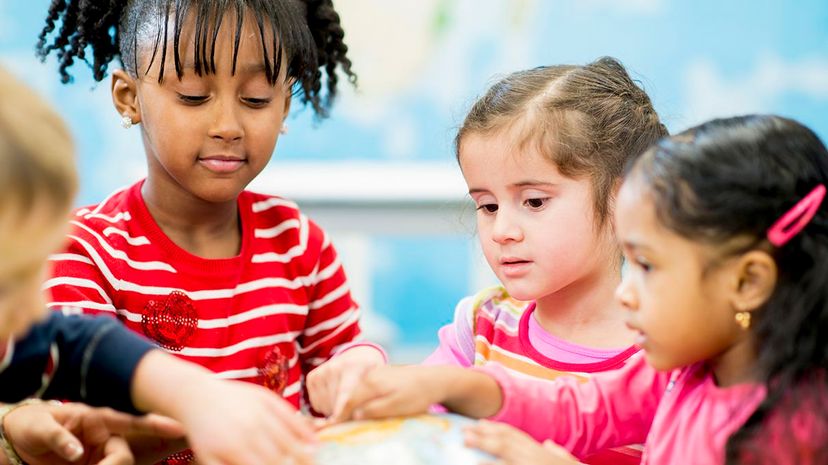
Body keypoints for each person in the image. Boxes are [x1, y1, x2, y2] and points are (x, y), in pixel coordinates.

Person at [335, 115, 828, 464]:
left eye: (648, 267)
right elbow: (575, 410)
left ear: (748, 282)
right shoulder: (682, 372)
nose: (626, 293)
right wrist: (446, 383)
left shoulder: (798, 432)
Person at [36, 1, 386, 461]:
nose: (227, 127)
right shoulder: (85, 251)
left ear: (285, 103)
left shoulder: (298, 243)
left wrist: (361, 366)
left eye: (257, 98)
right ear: (129, 97)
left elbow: (340, 362)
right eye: (194, 95)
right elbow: (81, 401)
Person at [0, 65, 319, 465]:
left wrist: (14, 430)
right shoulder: (93, 247)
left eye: (255, 98)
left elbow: (78, 345)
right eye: (8, 284)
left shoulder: (17, 336)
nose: (34, 310)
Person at [390, 57, 665, 464]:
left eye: (534, 201)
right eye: (486, 206)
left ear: (623, 200)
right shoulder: (482, 324)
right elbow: (416, 428)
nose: (502, 230)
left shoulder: (666, 355)